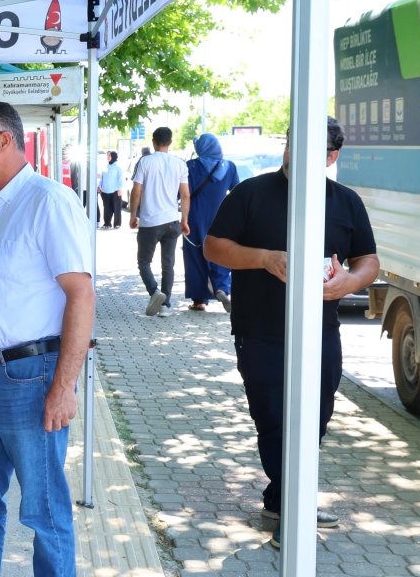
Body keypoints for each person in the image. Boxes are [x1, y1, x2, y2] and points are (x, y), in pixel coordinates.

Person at [204, 117, 378, 548]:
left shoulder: (346, 202)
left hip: (322, 332)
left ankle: (283, 498)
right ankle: (292, 508)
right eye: (290, 143)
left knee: (314, 419)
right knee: (275, 419)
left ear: (331, 157)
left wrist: (349, 283)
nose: (292, 153)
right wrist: (265, 259)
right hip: (260, 331)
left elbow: (369, 261)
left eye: (308, 147)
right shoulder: (250, 193)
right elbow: (214, 246)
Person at [0, 102, 95, 577]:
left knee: (43, 507)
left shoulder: (49, 201)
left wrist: (64, 386)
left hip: (32, 376)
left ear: (6, 140)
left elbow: (82, 296)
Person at [129, 127, 190, 317]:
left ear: (154, 142)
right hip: (172, 221)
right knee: (168, 264)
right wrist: (185, 220)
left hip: (150, 221)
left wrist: (133, 215)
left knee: (144, 262)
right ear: (170, 142)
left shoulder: (145, 162)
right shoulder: (180, 164)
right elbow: (185, 194)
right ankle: (166, 306)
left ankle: (155, 292)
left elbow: (137, 190)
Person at [184, 134, 239, 312]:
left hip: (195, 217)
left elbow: (185, 193)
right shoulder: (230, 167)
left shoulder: (192, 166)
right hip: (221, 217)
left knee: (195, 256)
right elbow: (236, 191)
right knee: (221, 251)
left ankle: (199, 300)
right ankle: (222, 288)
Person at [98, 150, 124, 229]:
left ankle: (117, 224)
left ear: (114, 157)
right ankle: (107, 223)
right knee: (107, 208)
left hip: (115, 191)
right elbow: (102, 178)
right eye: (107, 155)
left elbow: (120, 179)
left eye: (109, 155)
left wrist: (120, 189)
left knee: (116, 208)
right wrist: (99, 186)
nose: (108, 157)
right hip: (105, 191)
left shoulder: (118, 168)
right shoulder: (105, 167)